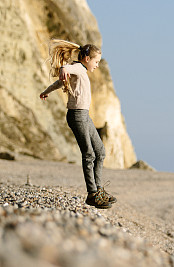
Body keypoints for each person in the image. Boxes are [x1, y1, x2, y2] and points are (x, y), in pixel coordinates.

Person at [40, 39, 116, 209]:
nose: (97, 65)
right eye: (96, 61)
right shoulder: (78, 68)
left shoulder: (80, 71)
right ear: (87, 59)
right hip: (77, 116)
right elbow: (65, 69)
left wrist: (46, 91)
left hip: (84, 115)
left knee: (100, 152)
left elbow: (60, 82)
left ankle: (99, 189)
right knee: (89, 154)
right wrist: (62, 69)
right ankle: (92, 194)